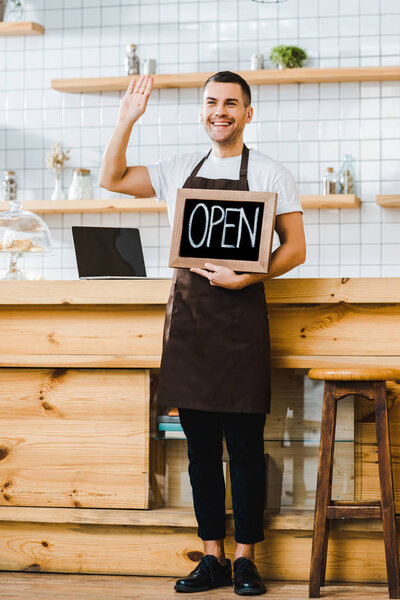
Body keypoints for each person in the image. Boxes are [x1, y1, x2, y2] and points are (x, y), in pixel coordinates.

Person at [99, 71, 306, 596]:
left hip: (241, 329)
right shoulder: (175, 171)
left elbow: (295, 248)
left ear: (247, 113)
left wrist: (247, 276)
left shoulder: (271, 172)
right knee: (198, 452)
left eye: (231, 103)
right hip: (189, 326)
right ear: (202, 111)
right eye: (212, 102)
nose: (221, 111)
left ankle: (245, 560)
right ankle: (210, 556)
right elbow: (113, 178)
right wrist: (126, 120)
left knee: (244, 448)